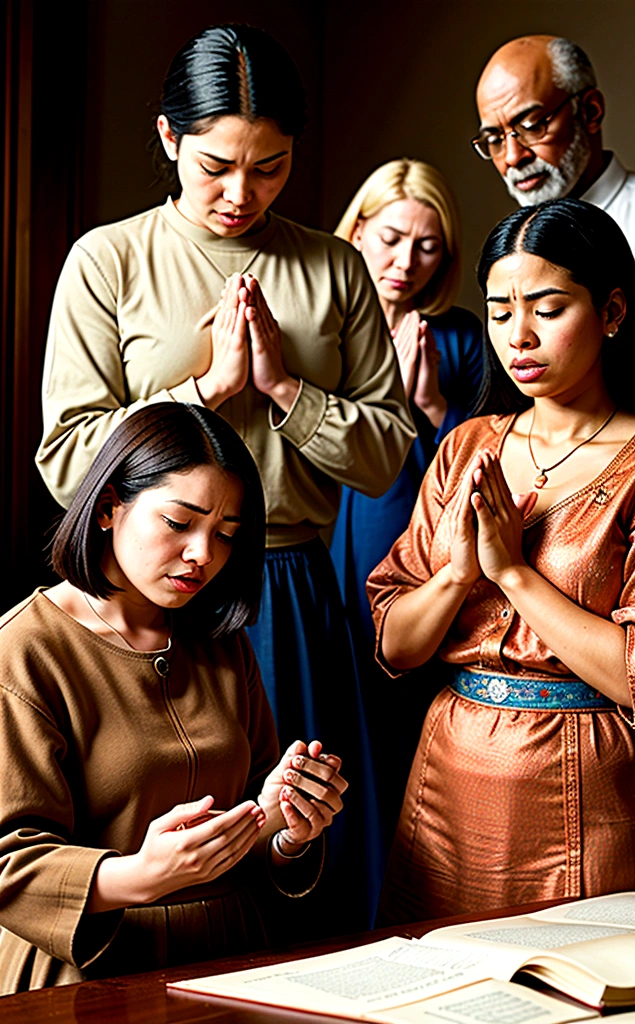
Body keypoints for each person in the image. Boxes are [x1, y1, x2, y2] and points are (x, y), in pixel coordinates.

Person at [35, 24, 414, 930]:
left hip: (292, 585)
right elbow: (65, 458)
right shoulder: (108, 258)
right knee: (190, 861)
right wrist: (201, 391)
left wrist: (287, 388)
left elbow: (388, 451)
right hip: (149, 598)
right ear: (168, 139)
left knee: (311, 844)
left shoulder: (333, 264)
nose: (242, 194)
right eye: (214, 167)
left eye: (271, 167)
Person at [368, 198, 635, 925]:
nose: (518, 335)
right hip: (450, 771)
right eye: (499, 309)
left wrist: (514, 574)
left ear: (611, 312)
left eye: (547, 309)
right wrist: (457, 575)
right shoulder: (466, 446)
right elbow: (394, 642)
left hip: (589, 780)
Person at [0, 403, 347, 993]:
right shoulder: (25, 650)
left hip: (232, 961)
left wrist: (287, 831)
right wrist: (139, 876)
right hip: (86, 976)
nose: (203, 555)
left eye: (226, 535)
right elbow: (9, 866)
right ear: (110, 506)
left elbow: (251, 828)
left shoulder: (220, 642)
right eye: (179, 522)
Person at [329, 159, 483, 852]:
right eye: (391, 238)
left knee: (401, 736)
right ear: (358, 229)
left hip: (417, 562)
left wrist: (431, 408)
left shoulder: (462, 339)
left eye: (427, 247)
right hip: (323, 545)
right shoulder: (323, 327)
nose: (405, 262)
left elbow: (491, 466)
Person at [473, 34, 635, 442]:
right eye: (494, 139)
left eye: (531, 125)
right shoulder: (514, 252)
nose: (512, 156)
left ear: (590, 111)